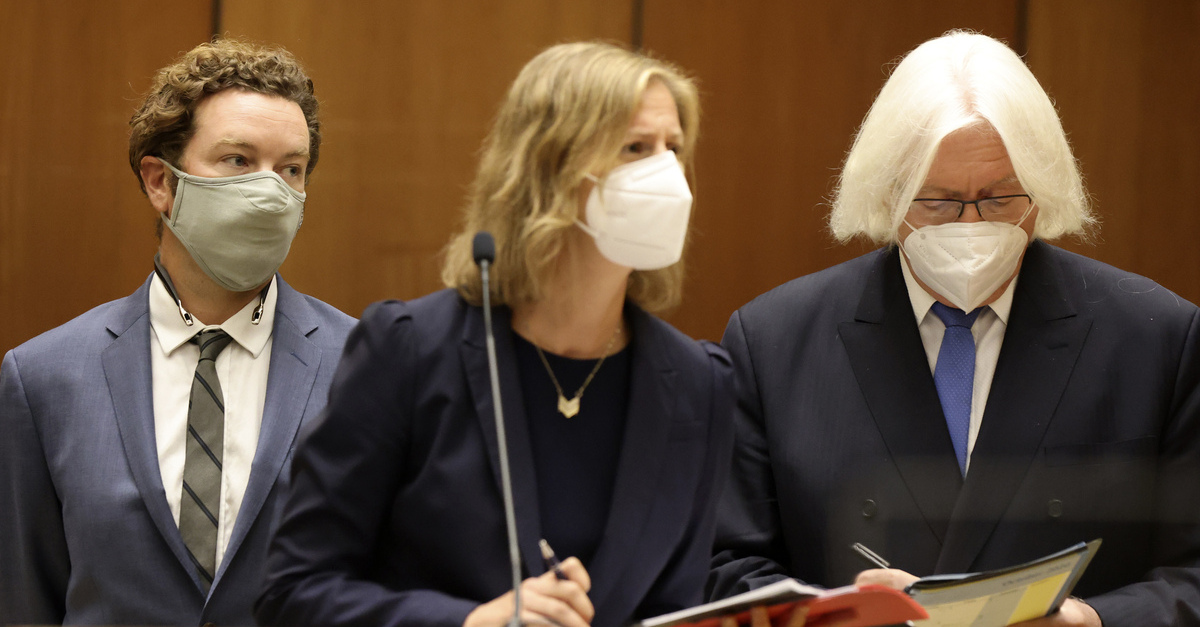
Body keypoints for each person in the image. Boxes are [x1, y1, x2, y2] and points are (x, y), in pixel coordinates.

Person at [708, 30, 1200, 627]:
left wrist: (1090, 621)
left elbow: (1192, 574)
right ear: (887, 193)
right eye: (937, 201)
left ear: (1042, 191)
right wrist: (847, 616)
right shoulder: (773, 342)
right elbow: (729, 568)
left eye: (998, 199)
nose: (970, 224)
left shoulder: (1157, 337)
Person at [255, 41, 735, 627]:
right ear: (549, 166)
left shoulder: (698, 383)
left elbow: (679, 603)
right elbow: (294, 591)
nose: (666, 176)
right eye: (635, 147)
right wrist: (469, 623)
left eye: (674, 149)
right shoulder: (408, 350)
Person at [0, 39, 355, 625]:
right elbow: (24, 601)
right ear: (161, 183)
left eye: (290, 169)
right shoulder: (44, 378)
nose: (270, 193)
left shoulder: (366, 366)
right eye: (239, 160)